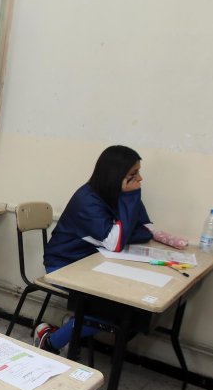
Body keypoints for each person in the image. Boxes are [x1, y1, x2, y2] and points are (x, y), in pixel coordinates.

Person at [36, 145, 154, 353]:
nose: (140, 179)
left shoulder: (114, 193)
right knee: (109, 307)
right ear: (116, 175)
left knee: (126, 304)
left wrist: (125, 229)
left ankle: (73, 326)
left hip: (94, 263)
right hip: (64, 265)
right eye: (133, 174)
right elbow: (116, 243)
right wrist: (131, 197)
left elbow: (145, 230)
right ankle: (51, 341)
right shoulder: (87, 199)